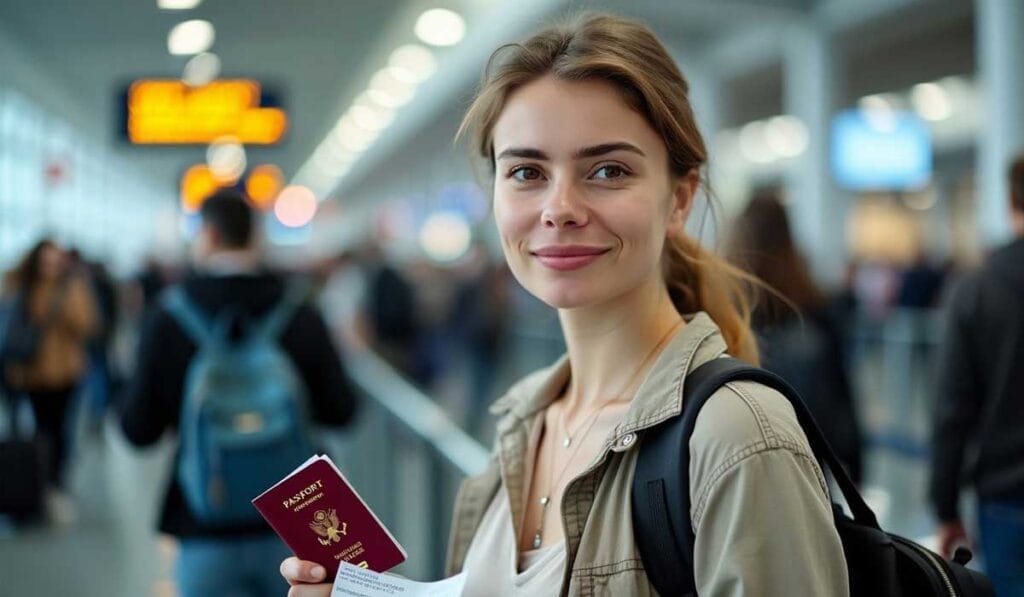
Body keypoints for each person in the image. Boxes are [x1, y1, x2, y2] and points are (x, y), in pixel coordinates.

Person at [282, 13, 848, 596]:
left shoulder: (737, 438)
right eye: (527, 171)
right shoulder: (520, 425)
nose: (560, 208)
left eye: (608, 170)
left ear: (678, 200)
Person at [120, 189, 359, 597]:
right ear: (256, 236)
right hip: (299, 528)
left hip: (202, 520)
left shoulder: (167, 316)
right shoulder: (300, 310)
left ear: (208, 235)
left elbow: (138, 431)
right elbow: (342, 411)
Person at [931, 155, 1024, 596]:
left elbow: (953, 407)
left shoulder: (978, 289)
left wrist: (945, 506)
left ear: (1010, 201)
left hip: (1005, 496)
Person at [726, 191, 863, 484]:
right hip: (807, 464)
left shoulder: (720, 313)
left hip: (735, 464)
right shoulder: (814, 308)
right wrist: (855, 464)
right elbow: (841, 395)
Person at [1, 239, 97, 494]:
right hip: (31, 370)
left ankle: (56, 479)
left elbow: (89, 324)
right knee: (39, 427)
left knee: (60, 427)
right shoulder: (22, 286)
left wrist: (64, 307)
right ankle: (38, 480)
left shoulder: (72, 288)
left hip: (66, 371)